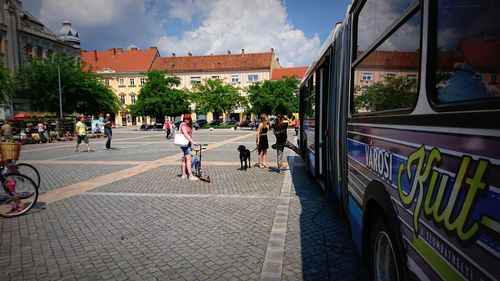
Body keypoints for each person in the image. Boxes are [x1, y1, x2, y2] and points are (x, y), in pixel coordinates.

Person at [179, 114, 198, 181]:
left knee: (185, 159)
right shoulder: (183, 124)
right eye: (185, 119)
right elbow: (186, 134)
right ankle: (190, 175)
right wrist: (193, 142)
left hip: (187, 143)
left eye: (187, 119)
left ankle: (184, 174)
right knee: (189, 159)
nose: (186, 120)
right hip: (184, 144)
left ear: (190, 119)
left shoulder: (189, 125)